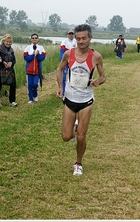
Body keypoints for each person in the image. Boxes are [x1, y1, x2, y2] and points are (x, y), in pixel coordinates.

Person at [55, 24, 106, 176]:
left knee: (82, 137)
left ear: (90, 38)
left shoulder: (96, 56)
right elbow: (60, 69)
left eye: (84, 38)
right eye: (78, 38)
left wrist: (98, 81)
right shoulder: (68, 54)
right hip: (70, 98)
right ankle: (75, 129)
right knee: (66, 137)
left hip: (86, 100)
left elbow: (103, 76)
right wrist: (60, 86)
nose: (81, 41)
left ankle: (78, 163)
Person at [0, 34, 18, 107]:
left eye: (10, 42)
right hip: (1, 69)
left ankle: (12, 101)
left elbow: (14, 60)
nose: (8, 43)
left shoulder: (11, 50)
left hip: (10, 69)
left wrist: (11, 63)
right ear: (3, 41)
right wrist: (3, 62)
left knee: (13, 84)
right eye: (7, 41)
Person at [24, 33, 46, 103]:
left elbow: (42, 58)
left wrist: (38, 54)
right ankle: (30, 98)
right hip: (29, 70)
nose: (34, 39)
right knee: (30, 84)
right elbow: (26, 58)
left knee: (35, 84)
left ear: (38, 39)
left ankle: (35, 95)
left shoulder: (41, 48)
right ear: (31, 39)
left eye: (36, 38)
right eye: (33, 38)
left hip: (37, 70)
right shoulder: (27, 48)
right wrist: (33, 54)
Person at [59, 29, 77, 96]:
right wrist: (62, 62)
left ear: (74, 34)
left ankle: (73, 92)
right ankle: (63, 93)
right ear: (67, 34)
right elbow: (62, 53)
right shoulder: (64, 42)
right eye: (69, 34)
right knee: (63, 78)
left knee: (73, 78)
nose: (71, 35)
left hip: (73, 63)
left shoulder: (76, 42)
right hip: (65, 62)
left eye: (72, 34)